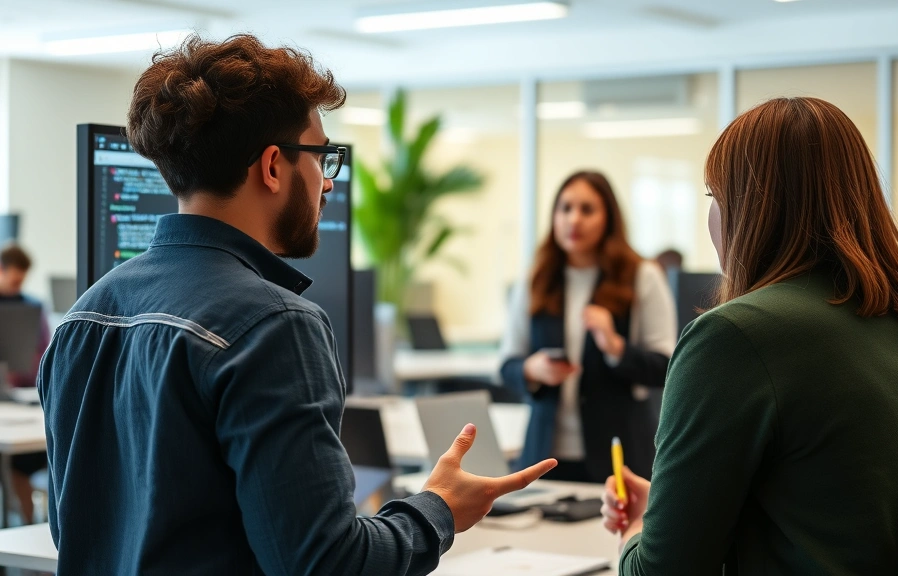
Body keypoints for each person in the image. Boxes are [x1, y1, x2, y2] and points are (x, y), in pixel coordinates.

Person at [38, 34, 555, 575]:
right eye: (321, 156)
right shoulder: (274, 324)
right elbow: (326, 564)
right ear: (272, 167)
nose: (327, 181)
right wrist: (438, 509)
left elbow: (77, 531)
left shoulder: (81, 319)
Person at [600, 97, 898, 575]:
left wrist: (635, 531)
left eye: (714, 197)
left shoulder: (731, 338)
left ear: (748, 209)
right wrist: (669, 504)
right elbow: (838, 511)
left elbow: (661, 572)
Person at [499, 170, 677, 483]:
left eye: (587, 209)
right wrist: (532, 369)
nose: (574, 220)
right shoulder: (536, 279)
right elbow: (507, 364)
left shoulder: (642, 275)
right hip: (545, 457)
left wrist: (614, 346)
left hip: (618, 459)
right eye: (565, 208)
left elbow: (666, 367)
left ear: (609, 217)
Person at [0, 243, 50, 523]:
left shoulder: (32, 308)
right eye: (15, 279)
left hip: (22, 397)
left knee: (26, 460)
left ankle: (29, 523)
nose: (19, 286)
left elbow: (43, 356)